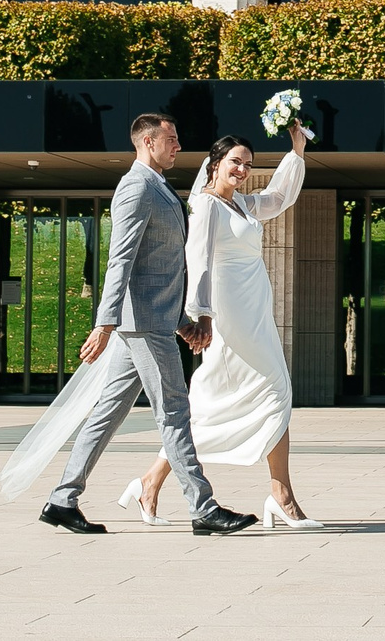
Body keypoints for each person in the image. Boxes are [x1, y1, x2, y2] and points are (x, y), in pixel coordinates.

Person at [38, 112, 257, 537]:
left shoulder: (159, 186)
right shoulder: (136, 188)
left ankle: (62, 499)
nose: (178, 146)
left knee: (107, 413)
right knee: (174, 411)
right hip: (140, 326)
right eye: (171, 139)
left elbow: (161, 267)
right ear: (147, 142)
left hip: (151, 321)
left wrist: (180, 320)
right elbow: (121, 260)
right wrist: (104, 323)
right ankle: (203, 507)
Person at [127, 121, 322, 530]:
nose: (242, 170)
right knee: (267, 391)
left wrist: (297, 151)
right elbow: (196, 261)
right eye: (235, 161)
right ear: (215, 163)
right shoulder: (204, 205)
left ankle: (150, 482)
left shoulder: (244, 206)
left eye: (248, 164)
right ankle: (282, 496)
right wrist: (201, 315)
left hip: (255, 313)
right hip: (227, 315)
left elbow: (281, 196)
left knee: (238, 400)